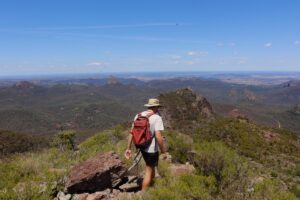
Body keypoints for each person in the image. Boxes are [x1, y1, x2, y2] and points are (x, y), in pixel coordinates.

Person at [124, 98, 166, 192]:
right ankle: (143, 194)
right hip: (151, 149)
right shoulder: (157, 118)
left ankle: (153, 183)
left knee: (151, 166)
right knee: (149, 170)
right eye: (158, 107)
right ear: (156, 107)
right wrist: (163, 151)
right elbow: (158, 136)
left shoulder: (138, 115)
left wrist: (128, 148)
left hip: (142, 146)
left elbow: (131, 132)